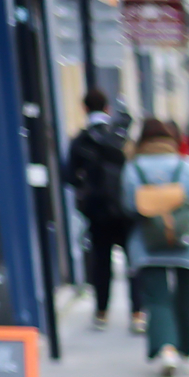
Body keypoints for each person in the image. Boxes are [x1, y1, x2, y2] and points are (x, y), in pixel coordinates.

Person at [121, 118, 189, 377]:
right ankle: (186, 349)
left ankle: (166, 348)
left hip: (147, 242)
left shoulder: (133, 168)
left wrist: (152, 204)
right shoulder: (185, 165)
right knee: (185, 294)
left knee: (156, 296)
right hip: (182, 239)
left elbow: (128, 205)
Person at [62, 90, 129, 329]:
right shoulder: (119, 135)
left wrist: (86, 188)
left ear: (85, 109)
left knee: (101, 261)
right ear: (107, 108)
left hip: (97, 210)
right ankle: (138, 313)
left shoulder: (80, 140)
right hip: (124, 208)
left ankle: (102, 311)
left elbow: (68, 176)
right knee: (133, 260)